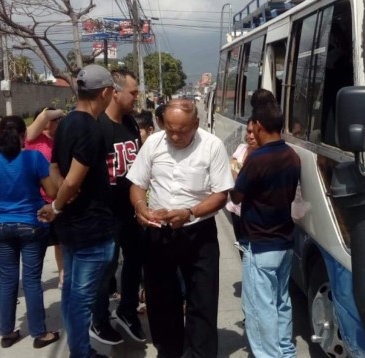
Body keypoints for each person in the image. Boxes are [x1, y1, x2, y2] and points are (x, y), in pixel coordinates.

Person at [127, 98, 234, 357]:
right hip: (159, 230)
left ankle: (199, 352)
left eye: (182, 130)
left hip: (198, 232)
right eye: (169, 129)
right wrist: (141, 207)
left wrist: (190, 213)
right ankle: (170, 349)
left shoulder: (212, 146)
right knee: (161, 298)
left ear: (196, 124)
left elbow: (221, 194)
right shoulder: (154, 143)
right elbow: (137, 184)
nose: (174, 135)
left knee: (202, 298)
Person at [37, 64, 117, 358]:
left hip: (71, 227)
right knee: (81, 299)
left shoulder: (68, 122)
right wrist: (58, 204)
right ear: (106, 93)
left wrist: (62, 199)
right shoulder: (90, 128)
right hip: (90, 229)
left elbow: (56, 167)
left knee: (71, 294)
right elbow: (74, 178)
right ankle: (81, 354)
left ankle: (79, 350)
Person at [0, 115, 60, 349]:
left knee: (7, 279)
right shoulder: (34, 157)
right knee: (32, 280)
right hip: (31, 224)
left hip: (0, 225)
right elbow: (52, 191)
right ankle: (39, 333)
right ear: (25, 135)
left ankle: (6, 332)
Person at [230, 89, 301, 358]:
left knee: (260, 309)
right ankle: (285, 351)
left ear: (258, 126)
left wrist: (233, 176)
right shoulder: (292, 155)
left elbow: (237, 195)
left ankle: (269, 355)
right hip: (284, 241)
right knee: (282, 302)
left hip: (259, 244)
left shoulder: (257, 159)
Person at [91, 68, 146, 345]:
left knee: (135, 263)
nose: (137, 97)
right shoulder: (97, 126)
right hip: (106, 214)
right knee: (106, 269)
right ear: (114, 92)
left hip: (132, 209)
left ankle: (127, 312)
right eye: (133, 92)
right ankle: (99, 319)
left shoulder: (131, 124)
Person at [25, 106, 65, 289]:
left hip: (57, 197)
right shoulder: (33, 139)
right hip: (38, 199)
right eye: (53, 120)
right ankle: (33, 279)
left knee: (60, 241)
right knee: (38, 244)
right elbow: (45, 116)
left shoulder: (61, 139)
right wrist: (58, 112)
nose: (55, 123)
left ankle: (62, 275)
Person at [225, 117, 258, 258]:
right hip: (236, 209)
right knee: (241, 247)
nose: (250, 136)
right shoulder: (241, 148)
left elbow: (238, 173)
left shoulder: (264, 155)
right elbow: (232, 170)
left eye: (254, 132)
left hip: (253, 213)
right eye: (248, 131)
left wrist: (238, 171)